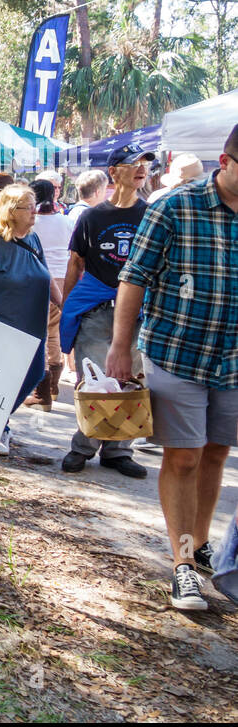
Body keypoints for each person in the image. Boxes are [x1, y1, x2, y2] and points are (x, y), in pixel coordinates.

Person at [106, 124, 238, 610]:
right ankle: (183, 565)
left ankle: (199, 545)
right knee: (183, 456)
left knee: (217, 454)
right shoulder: (173, 207)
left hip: (234, 361)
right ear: (225, 163)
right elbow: (133, 278)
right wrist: (121, 348)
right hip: (177, 352)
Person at [58, 142, 152, 478]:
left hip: (138, 315)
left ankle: (118, 451)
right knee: (93, 381)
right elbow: (75, 264)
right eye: (132, 163)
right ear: (113, 172)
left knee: (128, 382)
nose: (141, 168)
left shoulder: (150, 215)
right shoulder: (92, 217)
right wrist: (69, 308)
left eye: (144, 163)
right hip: (97, 310)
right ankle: (82, 448)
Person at [0, 185, 63, 454]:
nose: (35, 211)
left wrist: (61, 301)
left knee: (33, 375)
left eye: (35, 205)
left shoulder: (32, 239)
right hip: (1, 322)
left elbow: (46, 272)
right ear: (11, 210)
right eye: (28, 206)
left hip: (32, 323)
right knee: (1, 380)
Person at [25, 178, 74, 411]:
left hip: (37, 278)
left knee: (38, 334)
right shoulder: (66, 221)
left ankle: (41, 390)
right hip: (63, 278)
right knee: (52, 333)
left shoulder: (31, 223)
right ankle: (52, 387)